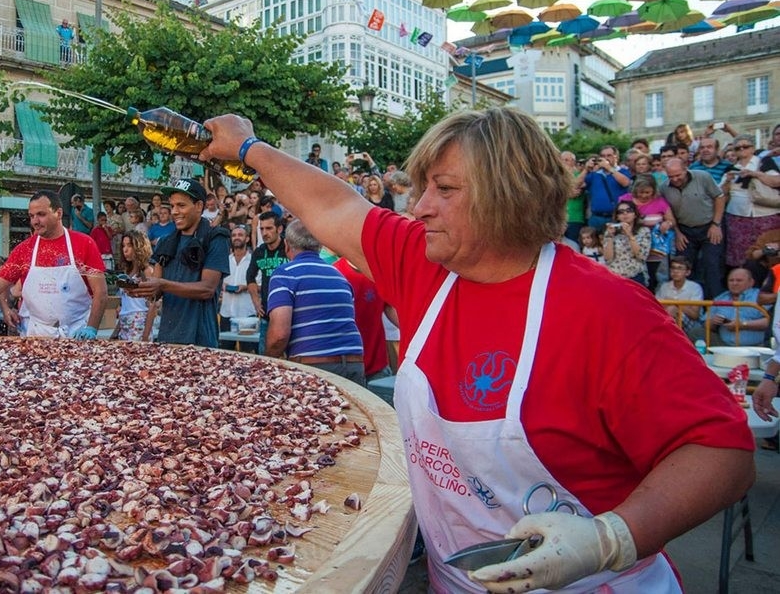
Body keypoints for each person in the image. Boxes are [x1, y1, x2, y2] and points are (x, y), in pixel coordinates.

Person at [199, 107, 754, 593]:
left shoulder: (608, 308)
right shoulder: (424, 263)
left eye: (444, 189)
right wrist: (250, 148)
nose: (418, 208)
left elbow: (722, 453)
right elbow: (332, 206)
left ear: (506, 197)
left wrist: (610, 539)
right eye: (421, 189)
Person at [0, 190, 107, 339]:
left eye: (41, 214)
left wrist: (91, 328)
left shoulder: (83, 244)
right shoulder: (24, 250)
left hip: (77, 332)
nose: (35, 221)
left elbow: (100, 292)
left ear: (58, 213)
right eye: (31, 216)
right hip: (37, 334)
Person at [125, 178, 229, 347]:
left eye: (181, 205)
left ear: (199, 206)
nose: (174, 211)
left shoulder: (215, 238)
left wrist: (162, 285)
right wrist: (140, 289)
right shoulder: (165, 242)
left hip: (201, 339)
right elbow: (156, 293)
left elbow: (207, 289)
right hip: (168, 337)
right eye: (172, 206)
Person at [265, 220, 365, 386]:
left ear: (287, 245)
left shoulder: (285, 274)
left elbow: (279, 335)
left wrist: (268, 361)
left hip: (315, 366)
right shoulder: (338, 275)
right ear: (319, 246)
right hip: (354, 362)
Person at [662, 158, 726, 299]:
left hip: (709, 225)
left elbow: (719, 197)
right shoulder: (664, 188)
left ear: (685, 168)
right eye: (671, 176)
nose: (675, 179)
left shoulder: (703, 177)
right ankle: (689, 305)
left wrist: (716, 224)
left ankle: (716, 306)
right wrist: (677, 233)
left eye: (678, 175)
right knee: (683, 266)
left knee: (712, 265)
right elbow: (668, 213)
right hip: (685, 230)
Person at [721, 134, 780, 270]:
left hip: (766, 215)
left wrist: (755, 174)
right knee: (740, 256)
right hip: (737, 217)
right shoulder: (730, 169)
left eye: (745, 146)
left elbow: (777, 181)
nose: (742, 150)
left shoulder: (764, 162)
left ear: (753, 148)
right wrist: (728, 181)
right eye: (737, 148)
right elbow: (723, 196)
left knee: (769, 253)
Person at [335, 256, 397, 383]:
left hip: (378, 366)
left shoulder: (381, 272)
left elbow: (390, 307)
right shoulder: (335, 273)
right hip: (347, 368)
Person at [246, 212, 288, 354]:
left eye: (269, 228)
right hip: (267, 316)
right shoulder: (259, 251)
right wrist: (256, 301)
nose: (264, 233)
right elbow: (250, 276)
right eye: (262, 229)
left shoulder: (288, 248)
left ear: (279, 229)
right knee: (265, 359)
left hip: (289, 315)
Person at [704, 267, 769, 346]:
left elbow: (770, 321)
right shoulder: (720, 298)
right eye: (731, 280)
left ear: (751, 282)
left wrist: (742, 324)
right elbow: (706, 324)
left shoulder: (761, 297)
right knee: (697, 332)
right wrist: (713, 322)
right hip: (723, 346)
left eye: (739, 280)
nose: (734, 283)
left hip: (755, 347)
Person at [112, 230, 157, 342]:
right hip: (124, 323)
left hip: (139, 325)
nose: (125, 250)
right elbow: (126, 305)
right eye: (123, 246)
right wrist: (115, 332)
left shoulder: (147, 271)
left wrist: (145, 336)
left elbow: (153, 305)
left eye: (130, 245)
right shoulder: (127, 272)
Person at [219, 224, 258, 353]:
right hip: (226, 313)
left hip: (247, 315)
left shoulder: (253, 260)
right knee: (225, 354)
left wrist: (246, 287)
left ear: (247, 239)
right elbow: (217, 281)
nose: (237, 238)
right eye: (234, 235)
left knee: (249, 355)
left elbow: (261, 285)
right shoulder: (225, 260)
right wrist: (222, 285)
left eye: (240, 235)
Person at [602, 200, 651, 286]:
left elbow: (641, 256)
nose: (625, 213)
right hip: (615, 277)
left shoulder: (644, 231)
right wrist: (610, 236)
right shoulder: (610, 231)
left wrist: (630, 235)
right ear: (617, 216)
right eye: (621, 212)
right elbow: (608, 258)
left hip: (635, 276)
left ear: (635, 214)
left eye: (629, 211)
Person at [584, 146, 631, 230]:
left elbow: (626, 183)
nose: (606, 158)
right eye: (603, 156)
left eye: (609, 155)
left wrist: (609, 168)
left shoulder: (623, 171)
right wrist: (586, 169)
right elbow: (576, 185)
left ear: (616, 157)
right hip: (596, 218)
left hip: (616, 217)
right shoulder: (595, 174)